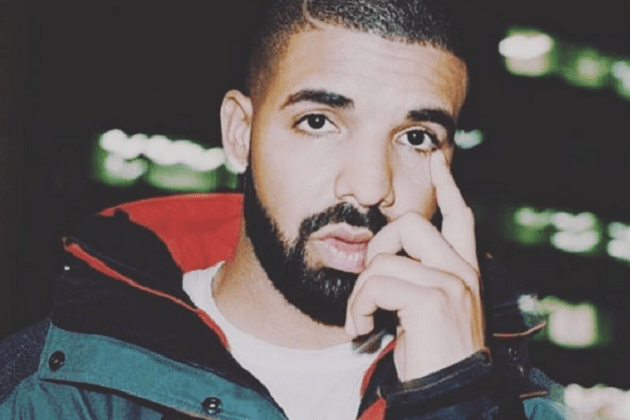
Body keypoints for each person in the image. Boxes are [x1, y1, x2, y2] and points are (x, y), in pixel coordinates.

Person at [0, 0, 573, 419]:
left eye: (417, 138)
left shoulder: (527, 408)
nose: (370, 186)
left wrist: (455, 401)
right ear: (240, 134)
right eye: (319, 122)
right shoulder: (48, 389)